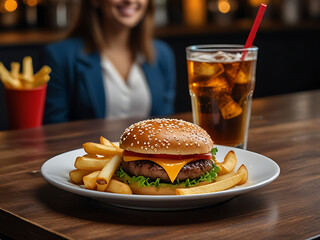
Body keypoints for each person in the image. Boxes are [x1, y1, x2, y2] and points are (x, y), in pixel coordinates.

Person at [44, 0, 176, 124]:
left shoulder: (162, 54)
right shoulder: (58, 56)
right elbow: (56, 130)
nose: (130, 1)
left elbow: (164, 125)